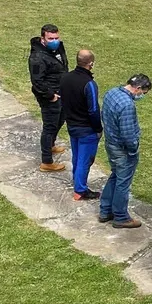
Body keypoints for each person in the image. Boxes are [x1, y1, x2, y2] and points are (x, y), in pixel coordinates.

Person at [99, 73, 151, 228]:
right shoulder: (127, 105)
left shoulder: (111, 92)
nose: (142, 96)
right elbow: (128, 135)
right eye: (144, 92)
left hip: (110, 143)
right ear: (138, 88)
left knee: (115, 176)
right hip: (122, 150)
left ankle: (105, 210)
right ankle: (121, 216)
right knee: (123, 182)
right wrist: (134, 150)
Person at [59, 49, 102, 201]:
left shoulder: (65, 78)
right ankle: (80, 190)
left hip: (71, 125)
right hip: (86, 129)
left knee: (77, 157)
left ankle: (77, 182)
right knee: (85, 160)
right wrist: (98, 128)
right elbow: (93, 110)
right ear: (91, 63)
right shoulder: (89, 84)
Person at [29, 23, 69, 172]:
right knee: (50, 125)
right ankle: (47, 161)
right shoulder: (37, 58)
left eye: (56, 37)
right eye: (51, 38)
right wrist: (50, 95)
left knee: (61, 117)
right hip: (50, 95)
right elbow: (37, 81)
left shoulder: (57, 48)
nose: (55, 40)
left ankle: (51, 145)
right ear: (43, 38)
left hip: (62, 90)